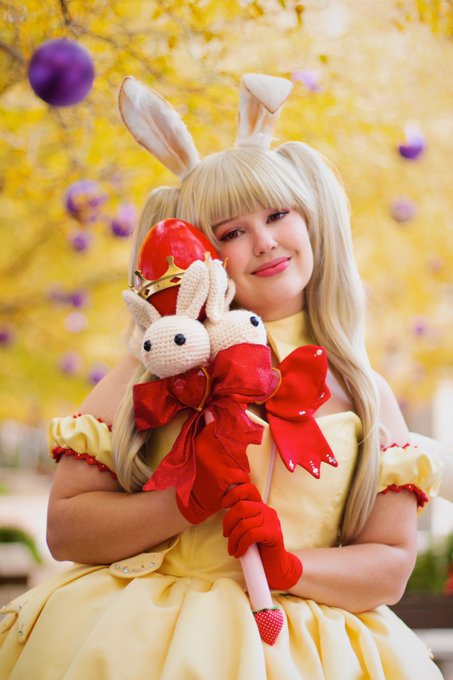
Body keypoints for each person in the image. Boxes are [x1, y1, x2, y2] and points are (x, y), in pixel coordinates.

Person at [0, 73, 444, 679]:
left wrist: (293, 565)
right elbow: (67, 530)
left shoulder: (365, 392)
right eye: (231, 232)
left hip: (307, 650)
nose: (264, 242)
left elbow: (390, 565)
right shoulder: (149, 367)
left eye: (278, 214)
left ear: (311, 219)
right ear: (201, 255)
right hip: (142, 642)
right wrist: (182, 501)